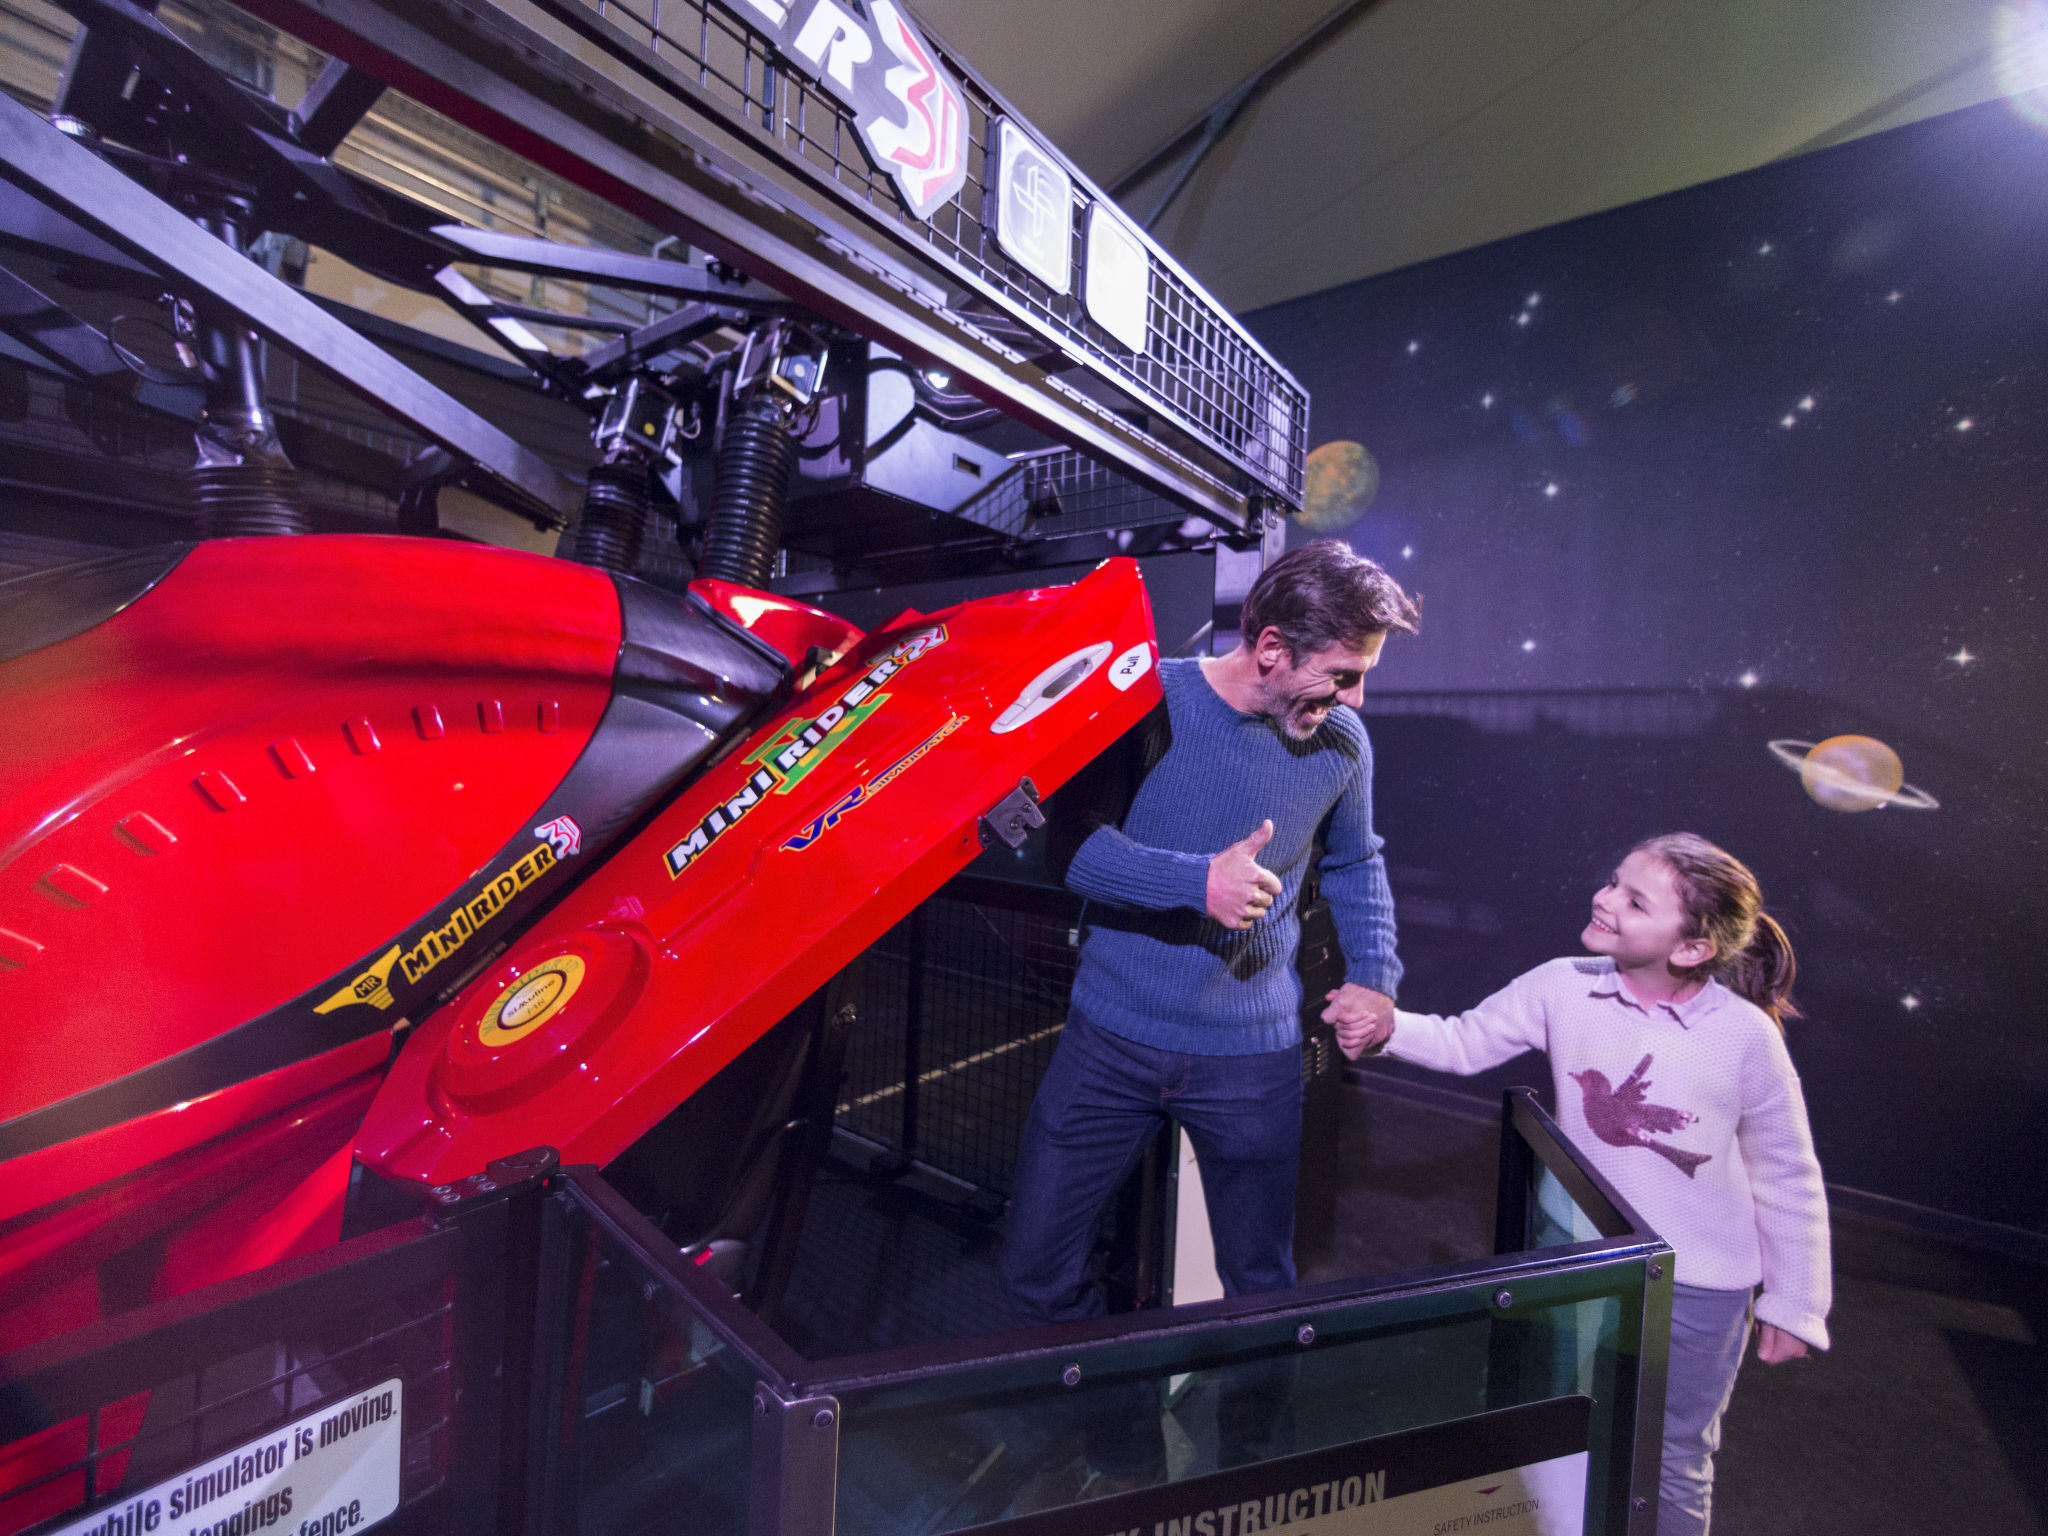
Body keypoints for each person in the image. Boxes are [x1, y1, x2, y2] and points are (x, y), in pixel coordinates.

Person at [999, 538, 1419, 1495]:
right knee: (1035, 1275)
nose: (1353, 700)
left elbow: (1357, 865)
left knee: (1262, 1292)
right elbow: (1067, 852)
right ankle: (1124, 1457)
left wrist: (1377, 978)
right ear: (1269, 646)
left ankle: (1247, 1479)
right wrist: (1198, 882)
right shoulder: (1145, 700)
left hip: (1252, 1060)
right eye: (1341, 674)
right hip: (1107, 1042)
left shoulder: (1342, 745)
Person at [1380, 832, 1831, 1536]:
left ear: (1691, 948)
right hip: (1579, 1258)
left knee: (1671, 1452)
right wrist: (1385, 1026)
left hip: (1698, 1285)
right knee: (1554, 1419)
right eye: (1613, 881)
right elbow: (1465, 1041)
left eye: (1634, 898)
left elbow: (1788, 1174)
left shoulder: (1746, 1037)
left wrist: (1796, 1303)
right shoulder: (1565, 983)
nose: (1605, 898)